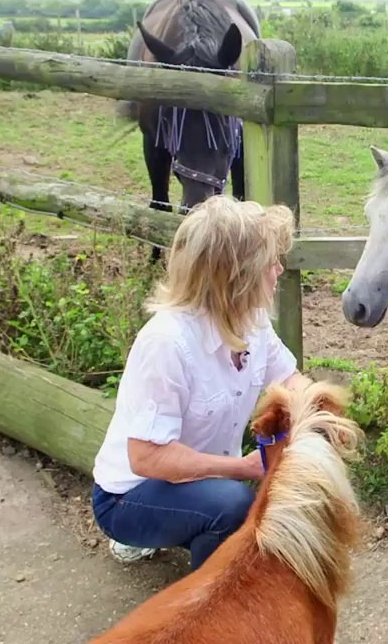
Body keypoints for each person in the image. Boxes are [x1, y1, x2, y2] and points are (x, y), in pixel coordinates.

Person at [90, 195, 314, 570]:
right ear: (235, 277)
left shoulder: (251, 321)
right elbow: (146, 457)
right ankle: (209, 600)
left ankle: (208, 544)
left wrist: (319, 415)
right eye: (268, 262)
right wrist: (242, 469)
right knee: (234, 505)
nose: (279, 269)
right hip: (128, 497)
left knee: (237, 502)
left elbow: (290, 380)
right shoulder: (166, 342)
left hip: (197, 479)